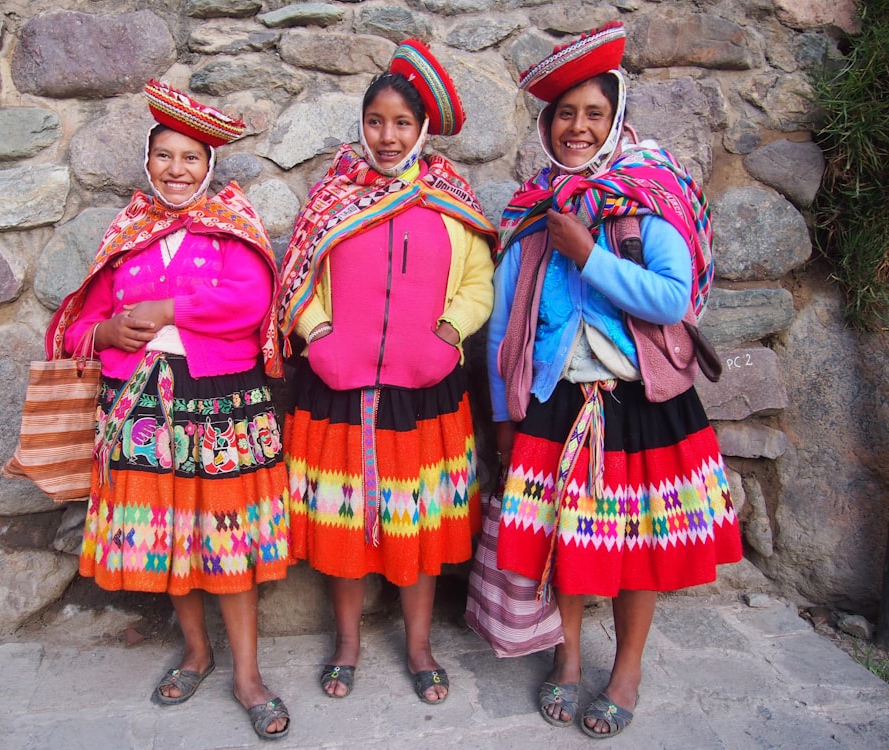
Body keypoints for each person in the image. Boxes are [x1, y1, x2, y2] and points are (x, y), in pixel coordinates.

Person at [487, 22, 742, 739]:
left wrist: (590, 253)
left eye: (593, 114)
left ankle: (625, 670)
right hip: (555, 402)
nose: (577, 127)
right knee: (565, 542)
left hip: (640, 403)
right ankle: (566, 660)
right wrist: (505, 410)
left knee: (638, 551)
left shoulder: (649, 193)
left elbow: (674, 298)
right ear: (547, 123)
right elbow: (507, 323)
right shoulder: (533, 209)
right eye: (565, 114)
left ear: (616, 118)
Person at [47, 80, 291, 740]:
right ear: (147, 164)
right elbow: (80, 321)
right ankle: (196, 651)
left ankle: (246, 673)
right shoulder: (128, 232)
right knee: (172, 534)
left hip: (220, 403)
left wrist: (166, 312)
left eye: (190, 158)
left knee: (226, 540)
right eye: (165, 158)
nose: (176, 170)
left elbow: (250, 303)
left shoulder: (232, 228)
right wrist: (102, 335)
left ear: (208, 167)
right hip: (143, 404)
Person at [278, 40, 497, 704]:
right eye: (377, 121)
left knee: (417, 524)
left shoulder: (450, 200)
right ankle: (346, 642)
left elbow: (479, 283)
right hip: (338, 387)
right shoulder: (333, 198)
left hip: (423, 390)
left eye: (402, 123)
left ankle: (419, 644)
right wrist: (318, 335)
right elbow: (295, 277)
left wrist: (447, 337)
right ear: (362, 123)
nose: (388, 135)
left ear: (422, 128)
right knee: (346, 526)